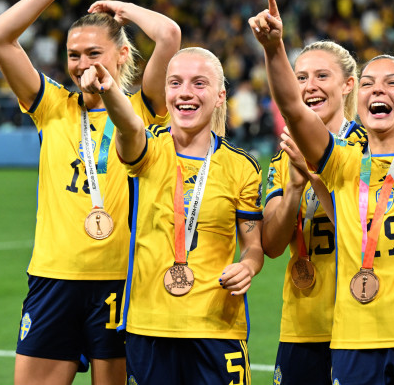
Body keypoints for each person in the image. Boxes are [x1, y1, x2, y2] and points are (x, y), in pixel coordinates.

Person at [251, 0, 394, 384]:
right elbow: (294, 111)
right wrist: (273, 48)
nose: (376, 90)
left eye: (391, 83)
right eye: (368, 83)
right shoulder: (345, 162)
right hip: (354, 339)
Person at [0, 0, 180, 385]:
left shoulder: (144, 108)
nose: (82, 64)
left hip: (120, 281)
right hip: (54, 277)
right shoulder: (51, 105)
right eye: (74, 55)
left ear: (122, 55)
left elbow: (169, 35)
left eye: (94, 53)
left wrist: (121, 10)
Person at [79, 46, 264, 383]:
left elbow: (253, 244)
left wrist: (248, 265)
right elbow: (129, 127)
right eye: (175, 83)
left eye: (199, 83)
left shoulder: (242, 167)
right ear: (165, 93)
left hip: (217, 328)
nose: (185, 93)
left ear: (221, 95)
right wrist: (110, 90)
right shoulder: (148, 150)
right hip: (150, 326)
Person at [262, 40, 365, 385]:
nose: (310, 86)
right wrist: (292, 188)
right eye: (301, 77)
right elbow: (273, 246)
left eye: (322, 75)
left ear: (348, 84)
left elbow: (361, 228)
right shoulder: (283, 157)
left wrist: (315, 177)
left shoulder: (369, 146)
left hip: (362, 322)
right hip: (302, 325)